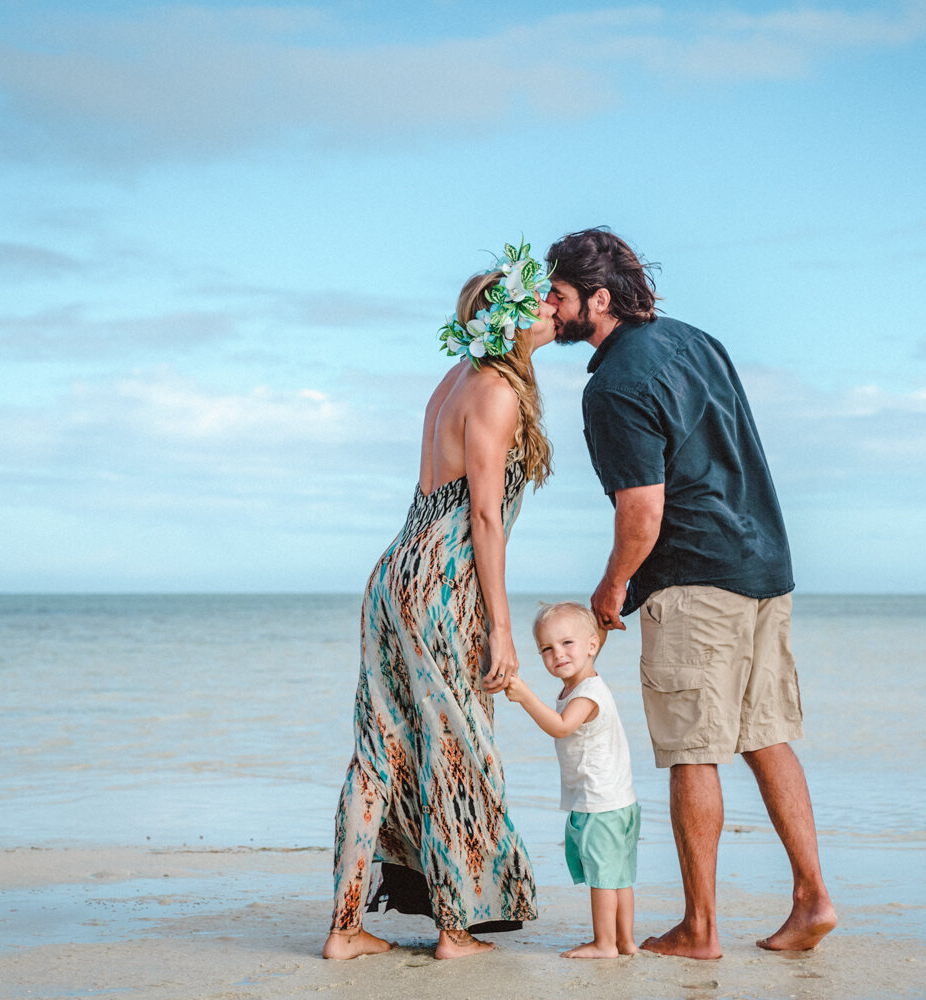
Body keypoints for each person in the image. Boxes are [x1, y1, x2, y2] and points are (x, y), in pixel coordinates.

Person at [544, 227, 837, 960]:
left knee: (690, 751)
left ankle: (699, 928)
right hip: (765, 565)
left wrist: (611, 588)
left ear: (599, 300)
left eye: (559, 295)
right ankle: (812, 898)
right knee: (765, 734)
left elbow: (641, 511)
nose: (548, 307)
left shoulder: (612, 385)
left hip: (696, 579)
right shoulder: (697, 340)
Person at [323, 241, 555, 961]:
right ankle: (455, 931)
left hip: (396, 567)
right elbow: (484, 517)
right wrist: (503, 628)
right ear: (510, 318)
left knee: (380, 748)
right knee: (455, 744)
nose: (553, 308)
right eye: (540, 301)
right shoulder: (498, 391)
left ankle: (344, 930)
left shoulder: (451, 380)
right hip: (443, 578)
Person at [504, 602, 640, 959]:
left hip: (601, 803)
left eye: (567, 643)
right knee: (619, 876)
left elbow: (561, 727)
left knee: (603, 878)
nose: (558, 654)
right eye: (547, 649)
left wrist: (525, 697)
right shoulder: (582, 683)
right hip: (618, 800)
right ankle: (625, 941)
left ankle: (605, 943)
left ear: (591, 646)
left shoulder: (587, 694)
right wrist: (599, 628)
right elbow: (588, 644)